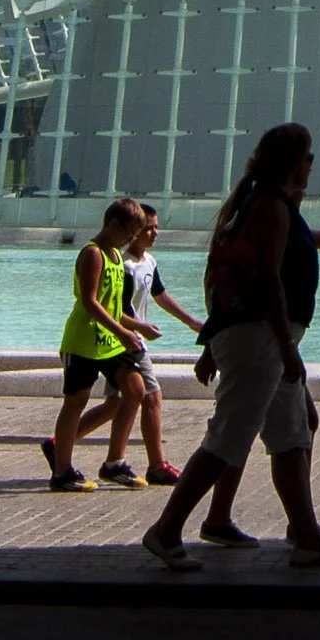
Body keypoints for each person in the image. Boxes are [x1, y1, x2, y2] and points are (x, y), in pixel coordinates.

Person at [140, 123, 320, 572]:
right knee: (229, 437)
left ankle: (307, 539)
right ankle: (166, 530)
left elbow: (314, 242)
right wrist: (285, 344)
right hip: (261, 338)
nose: (312, 165)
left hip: (259, 337)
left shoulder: (263, 204)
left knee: (291, 434)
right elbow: (266, 278)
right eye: (309, 157)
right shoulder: (270, 207)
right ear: (292, 162)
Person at [67, 203, 203, 489]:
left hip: (122, 339)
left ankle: (67, 446)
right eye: (146, 229)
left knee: (118, 402)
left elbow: (160, 296)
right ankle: (155, 465)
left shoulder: (145, 262)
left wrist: (191, 322)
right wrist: (135, 328)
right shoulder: (116, 261)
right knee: (148, 396)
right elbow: (105, 305)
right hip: (122, 340)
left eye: (155, 228)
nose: (153, 233)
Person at [44, 196, 150, 492]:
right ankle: (62, 471)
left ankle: (115, 462)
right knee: (76, 401)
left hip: (110, 342)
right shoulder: (93, 254)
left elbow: (112, 307)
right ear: (112, 224)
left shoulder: (116, 256)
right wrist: (122, 331)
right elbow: (90, 302)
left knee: (135, 390)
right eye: (128, 233)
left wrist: (136, 327)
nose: (130, 240)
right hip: (83, 341)